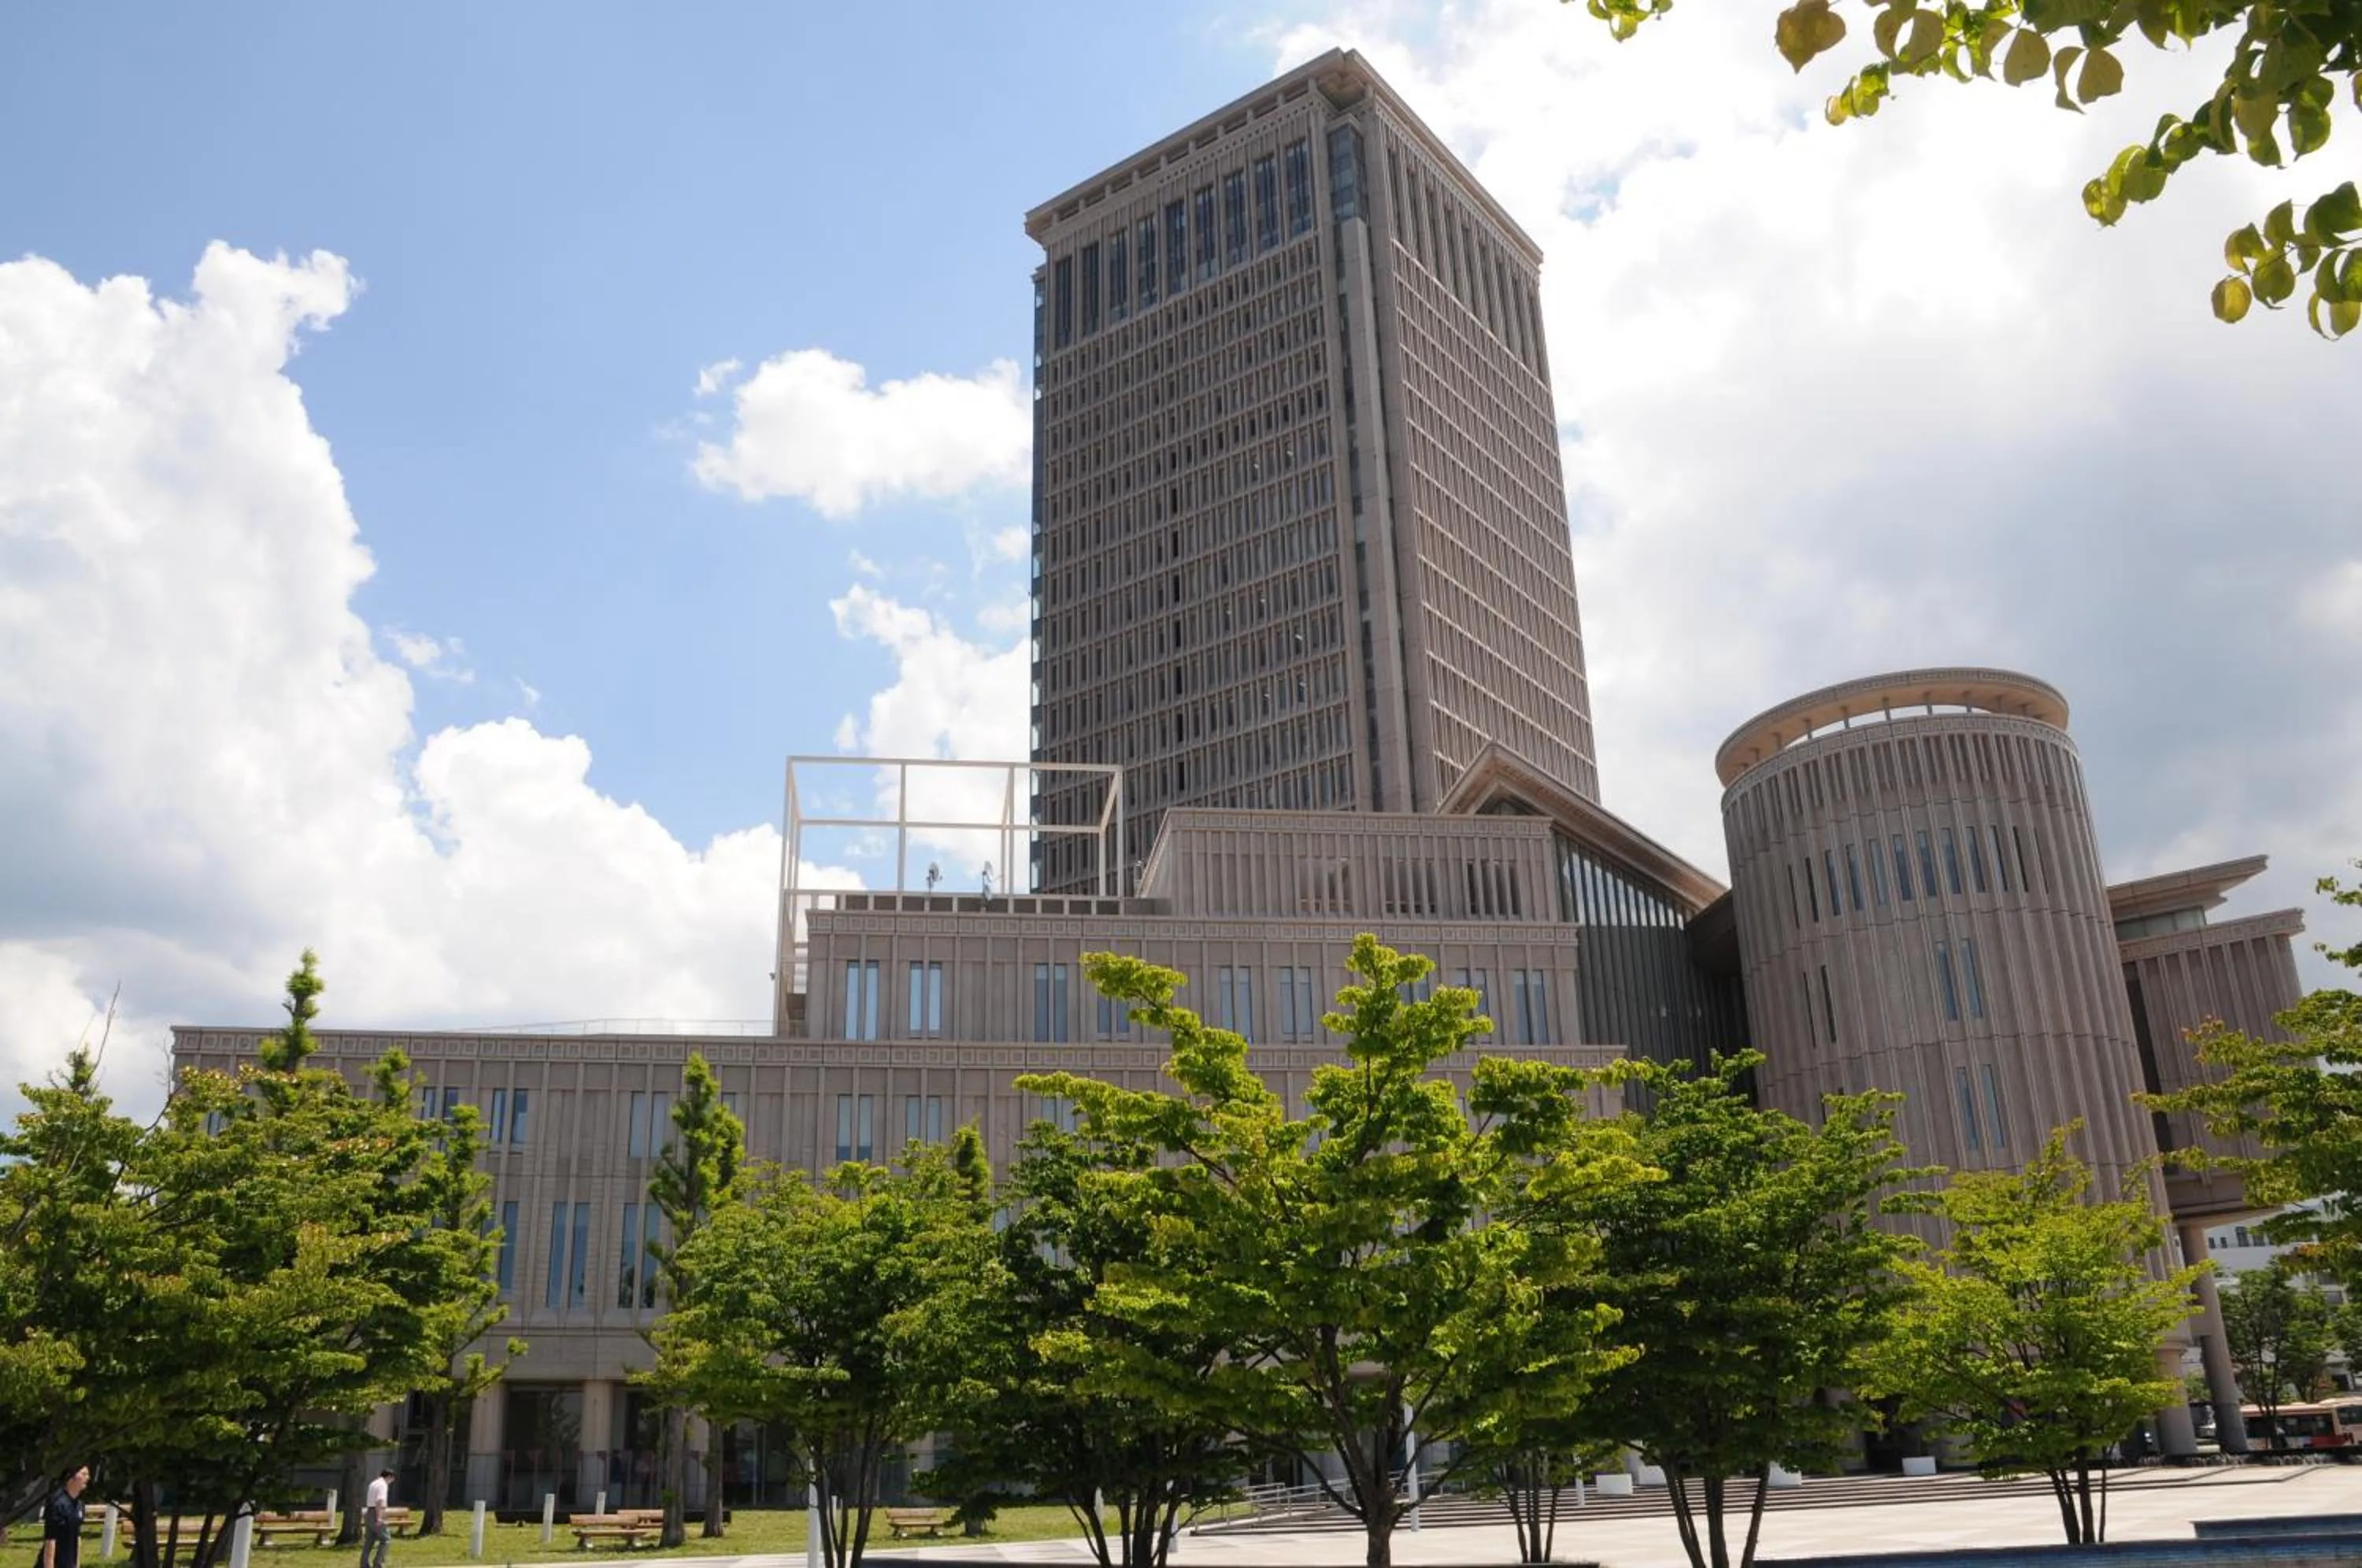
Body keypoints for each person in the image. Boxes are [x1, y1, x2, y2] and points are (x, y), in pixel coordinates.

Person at [37, 1465, 90, 1568]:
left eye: (88, 1474)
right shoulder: (57, 1504)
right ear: (70, 1478)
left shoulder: (79, 1505)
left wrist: (76, 1565)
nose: (88, 1478)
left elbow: (77, 1537)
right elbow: (50, 1540)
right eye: (84, 1474)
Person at [358, 1468, 395, 1568]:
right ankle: (378, 1563)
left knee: (369, 1540)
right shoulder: (383, 1485)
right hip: (377, 1512)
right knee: (386, 1539)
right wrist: (379, 1517)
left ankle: (364, 1564)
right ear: (389, 1477)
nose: (390, 1483)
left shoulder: (373, 1483)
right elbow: (379, 1501)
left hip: (369, 1511)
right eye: (391, 1480)